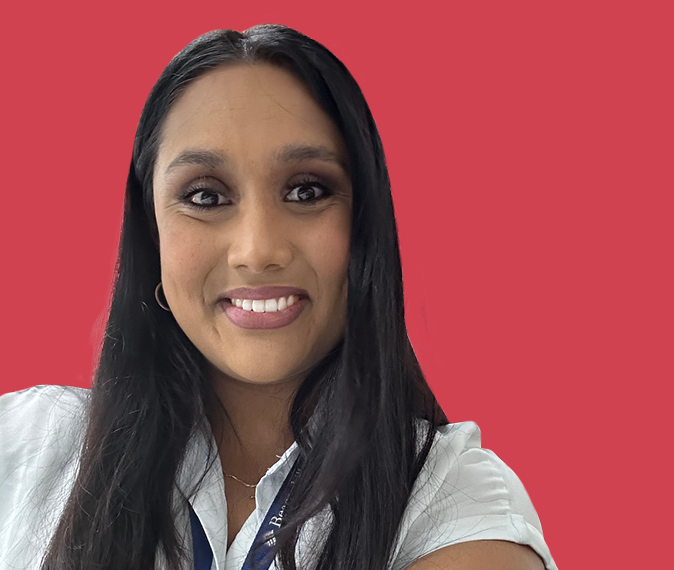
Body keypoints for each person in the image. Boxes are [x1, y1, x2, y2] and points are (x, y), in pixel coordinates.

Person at [0, 24, 558, 570]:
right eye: (205, 196)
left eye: (306, 190)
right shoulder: (25, 446)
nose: (258, 249)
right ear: (153, 236)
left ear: (363, 225)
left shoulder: (453, 501)